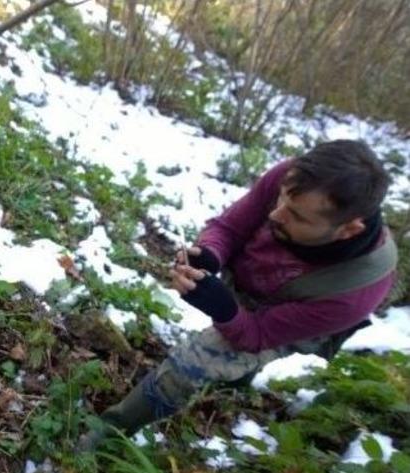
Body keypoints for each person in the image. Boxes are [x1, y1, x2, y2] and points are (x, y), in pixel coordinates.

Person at [82, 139, 397, 447]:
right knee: (231, 354)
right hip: (249, 275)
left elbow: (257, 334)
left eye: (297, 216)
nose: (276, 214)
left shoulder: (354, 291)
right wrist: (211, 254)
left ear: (350, 229)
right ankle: (235, 381)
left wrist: (224, 310)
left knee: (195, 360)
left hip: (287, 316)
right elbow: (229, 227)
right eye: (281, 199)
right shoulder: (297, 180)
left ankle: (109, 433)